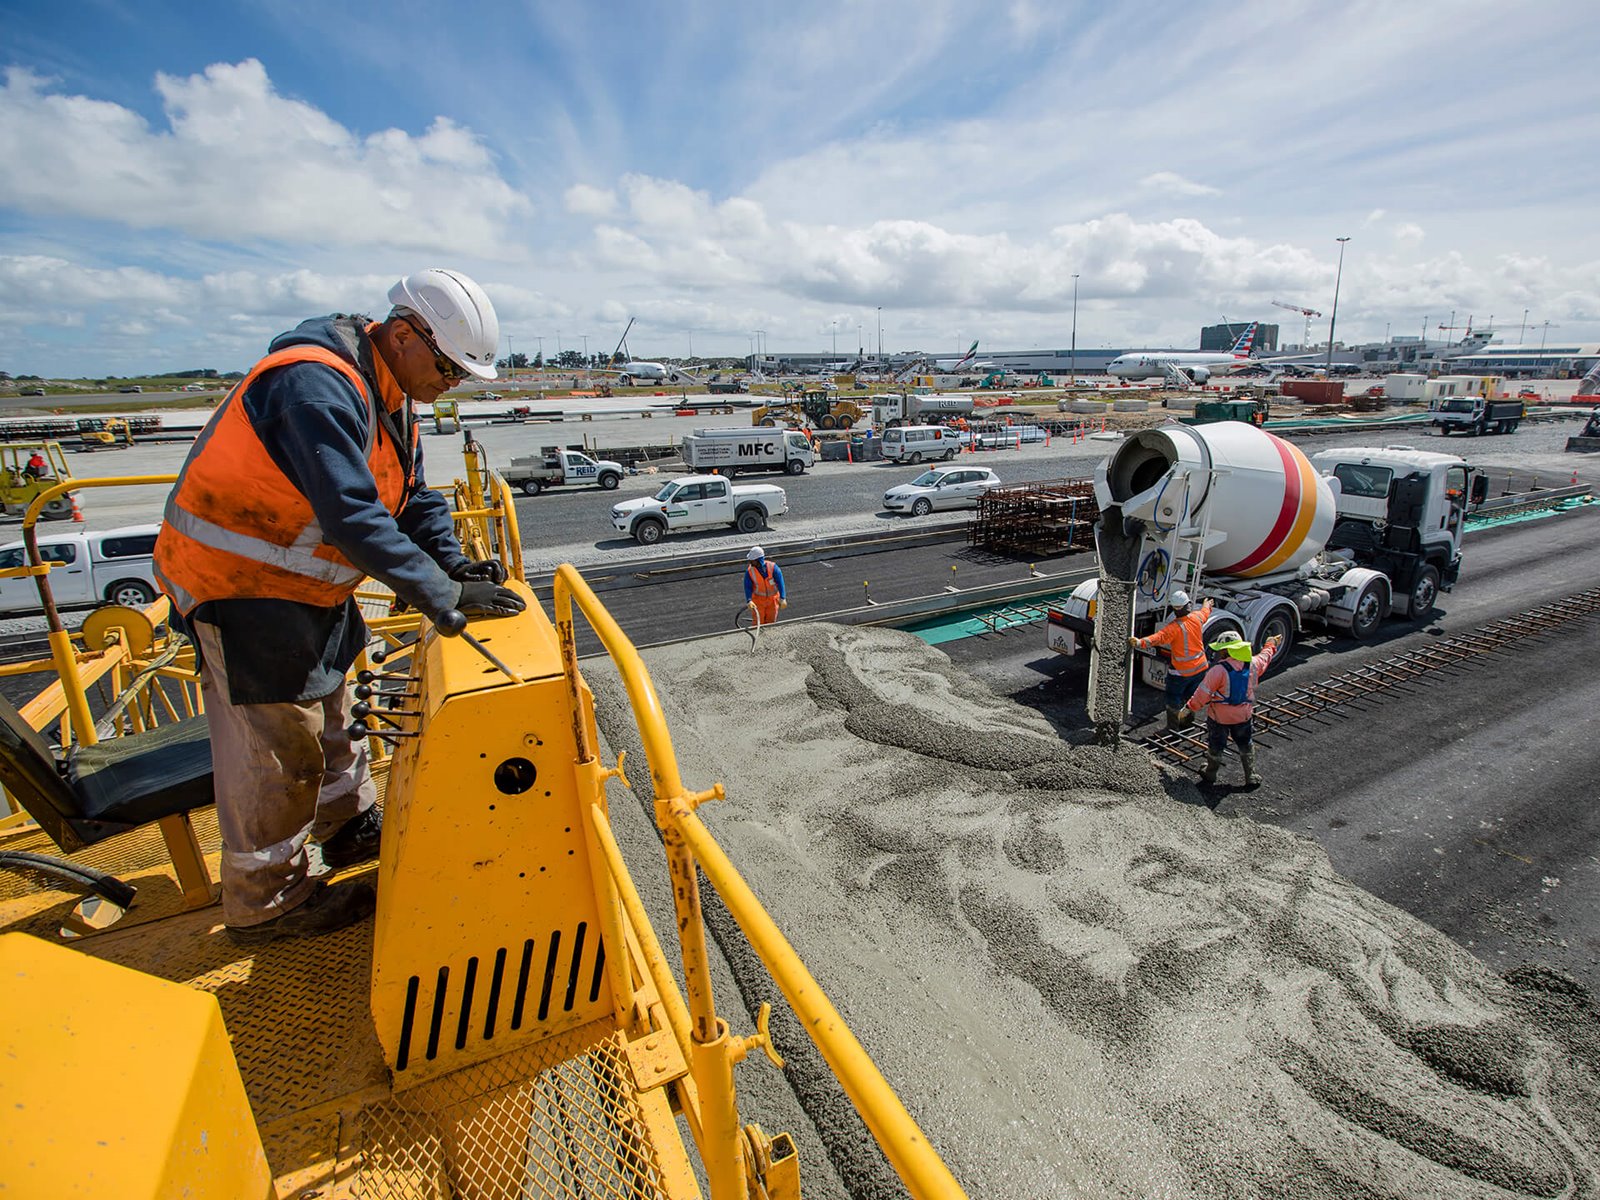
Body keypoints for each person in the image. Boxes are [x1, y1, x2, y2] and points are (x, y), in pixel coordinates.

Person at [153, 268, 526, 945]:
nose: (451, 384)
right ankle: (267, 903)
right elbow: (351, 514)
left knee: (335, 713)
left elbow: (408, 498)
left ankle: (347, 826)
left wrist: (456, 566)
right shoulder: (313, 385)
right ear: (405, 335)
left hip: (305, 587)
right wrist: (440, 597)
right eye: (449, 368)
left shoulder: (386, 392)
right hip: (242, 588)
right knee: (278, 750)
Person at [1186, 631, 1281, 788]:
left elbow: (1201, 694)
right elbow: (1265, 656)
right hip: (1243, 717)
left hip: (1219, 718)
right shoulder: (1253, 665)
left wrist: (1190, 707)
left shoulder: (1218, 670)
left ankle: (1210, 773)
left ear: (1225, 650)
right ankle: (1250, 775)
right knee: (1245, 743)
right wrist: (1271, 643)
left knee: (1216, 745)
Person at [1128, 588, 1213, 729]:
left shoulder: (1173, 628)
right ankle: (1186, 724)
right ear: (1189, 605)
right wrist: (1207, 604)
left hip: (1181, 672)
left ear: (1174, 609)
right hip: (1200, 668)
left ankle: (1173, 729)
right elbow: (1206, 612)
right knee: (1191, 698)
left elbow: (1157, 638)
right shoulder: (1197, 617)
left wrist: (1138, 642)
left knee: (1173, 698)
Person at [744, 545, 786, 628]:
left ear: (759, 560)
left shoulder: (773, 568)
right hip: (758, 601)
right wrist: (749, 600)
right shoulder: (750, 571)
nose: (751, 563)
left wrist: (782, 598)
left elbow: (780, 582)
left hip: (772, 600)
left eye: (752, 561)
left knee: (771, 622)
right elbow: (747, 586)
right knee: (758, 623)